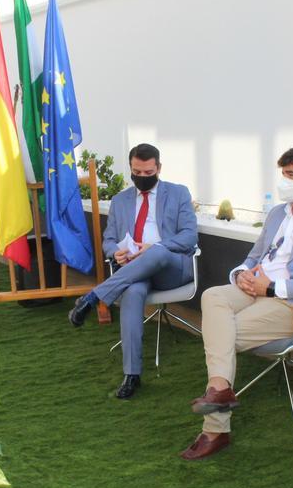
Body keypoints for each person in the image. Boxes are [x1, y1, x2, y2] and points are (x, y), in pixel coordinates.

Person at [181, 145, 293, 460]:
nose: (283, 181)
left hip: (292, 304)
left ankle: (215, 429)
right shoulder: (277, 213)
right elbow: (253, 258)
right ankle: (220, 391)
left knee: (220, 334)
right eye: (283, 174)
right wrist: (241, 275)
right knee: (212, 295)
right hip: (254, 289)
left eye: (291, 175)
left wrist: (273, 288)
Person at [68, 143, 198, 399]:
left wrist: (153, 246)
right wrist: (114, 252)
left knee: (157, 251)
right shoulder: (120, 201)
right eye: (137, 172)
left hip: (171, 268)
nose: (142, 177)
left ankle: (93, 297)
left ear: (158, 168)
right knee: (131, 293)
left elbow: (189, 237)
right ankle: (132, 375)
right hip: (134, 270)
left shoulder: (179, 193)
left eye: (148, 173)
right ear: (130, 168)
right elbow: (108, 240)